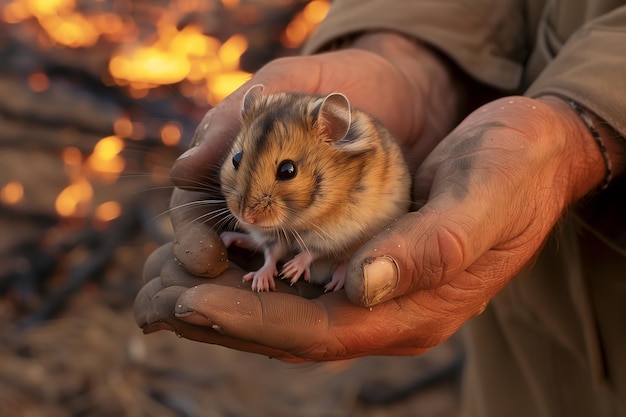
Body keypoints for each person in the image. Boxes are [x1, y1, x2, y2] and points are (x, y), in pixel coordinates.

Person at [134, 0, 626, 415]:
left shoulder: (352, 171)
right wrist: (406, 45)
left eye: (284, 172)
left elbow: (346, 226)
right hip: (527, 336)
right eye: (238, 162)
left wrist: (583, 124)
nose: (246, 202)